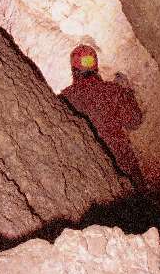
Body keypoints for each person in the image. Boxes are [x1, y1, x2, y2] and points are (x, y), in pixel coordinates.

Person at [60, 44, 146, 190]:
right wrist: (127, 91)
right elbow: (134, 121)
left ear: (73, 69)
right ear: (96, 66)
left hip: (92, 173)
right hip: (124, 165)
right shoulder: (112, 90)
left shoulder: (65, 99)